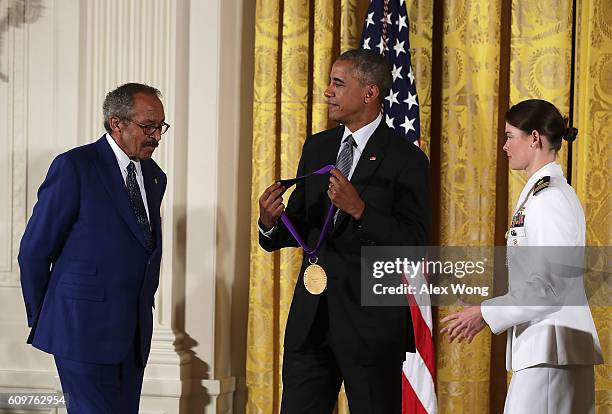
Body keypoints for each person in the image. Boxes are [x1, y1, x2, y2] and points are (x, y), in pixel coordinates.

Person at [257, 49, 430, 413]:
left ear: (370, 93)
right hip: (311, 322)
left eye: (338, 83)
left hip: (370, 328)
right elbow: (304, 226)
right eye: (330, 82)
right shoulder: (318, 146)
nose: (327, 92)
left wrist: (360, 209)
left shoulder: (406, 158)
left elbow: (415, 245)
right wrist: (272, 223)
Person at [440, 99, 603, 413]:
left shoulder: (548, 198)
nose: (504, 146)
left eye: (510, 135)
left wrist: (485, 314)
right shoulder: (546, 194)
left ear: (535, 138)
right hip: (550, 350)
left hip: (552, 350)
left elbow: (550, 287)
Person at [18, 83, 169, 412]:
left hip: (132, 335)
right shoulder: (75, 166)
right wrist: (46, 316)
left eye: (160, 126)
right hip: (80, 331)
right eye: (148, 126)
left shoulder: (156, 176)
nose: (156, 135)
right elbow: (33, 251)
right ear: (118, 123)